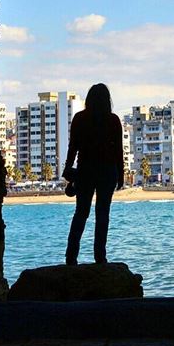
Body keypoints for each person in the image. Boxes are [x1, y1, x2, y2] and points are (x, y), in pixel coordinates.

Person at [63, 83, 124, 265]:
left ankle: (71, 257)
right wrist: (120, 175)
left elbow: (73, 147)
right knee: (103, 214)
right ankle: (100, 257)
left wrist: (68, 168)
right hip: (107, 171)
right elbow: (118, 151)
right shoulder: (113, 120)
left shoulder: (80, 118)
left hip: (85, 171)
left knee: (81, 213)